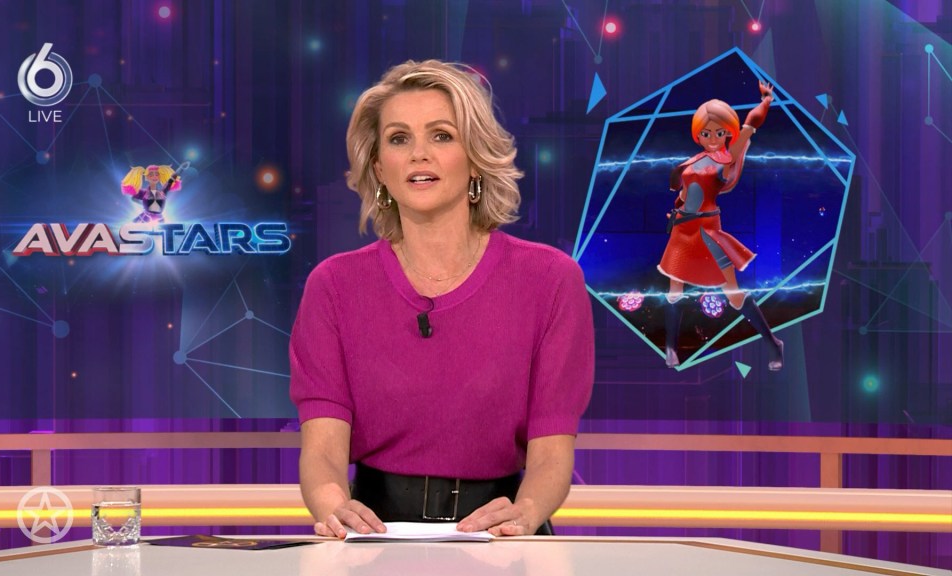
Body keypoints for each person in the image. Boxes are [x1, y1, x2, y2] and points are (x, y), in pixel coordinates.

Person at [289, 60, 594, 538]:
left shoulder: (550, 280)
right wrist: (335, 510)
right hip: (374, 535)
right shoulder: (334, 286)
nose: (418, 155)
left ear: (475, 157)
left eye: (441, 136)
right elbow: (323, 450)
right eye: (398, 138)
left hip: (502, 537)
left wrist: (526, 511)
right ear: (379, 168)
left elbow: (552, 453)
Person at [657, 81, 783, 370]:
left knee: (733, 294)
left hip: (708, 231)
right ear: (698, 134)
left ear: (727, 132)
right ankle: (671, 347)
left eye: (718, 132)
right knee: (675, 291)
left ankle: (774, 344)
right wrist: (677, 211)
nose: (712, 138)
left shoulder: (726, 159)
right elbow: (686, 193)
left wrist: (765, 101)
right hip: (682, 231)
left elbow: (750, 124)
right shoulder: (694, 160)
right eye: (706, 133)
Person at [120, 162, 188, 223]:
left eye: (156, 174)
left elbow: (171, 179)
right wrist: (142, 203)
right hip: (146, 218)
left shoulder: (163, 191)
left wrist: (181, 168)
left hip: (159, 219)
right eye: (151, 174)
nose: (154, 177)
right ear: (146, 177)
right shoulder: (144, 192)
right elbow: (133, 198)